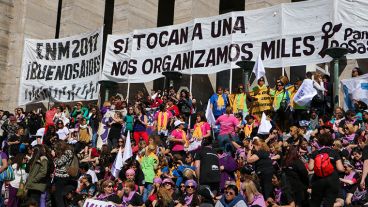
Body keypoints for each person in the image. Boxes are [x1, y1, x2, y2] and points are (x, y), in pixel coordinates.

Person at [308, 133, 344, 207]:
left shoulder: (315, 153)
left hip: (318, 180)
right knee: (328, 203)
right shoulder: (335, 153)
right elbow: (340, 169)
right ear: (331, 142)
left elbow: (310, 168)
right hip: (332, 180)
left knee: (315, 203)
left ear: (319, 142)